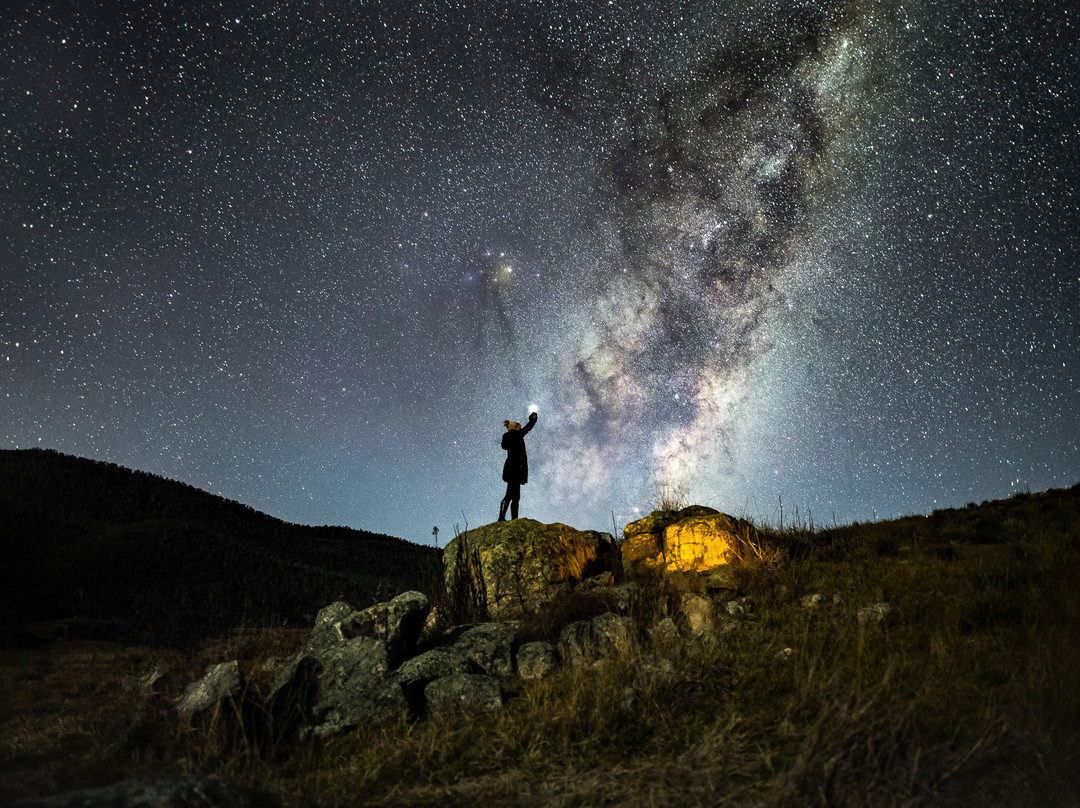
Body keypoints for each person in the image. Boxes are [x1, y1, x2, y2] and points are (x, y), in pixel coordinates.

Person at [498, 410, 537, 521]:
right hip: (515, 468)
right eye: (519, 426)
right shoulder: (516, 434)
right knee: (512, 495)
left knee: (513, 495)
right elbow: (528, 428)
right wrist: (533, 420)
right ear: (515, 428)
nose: (521, 428)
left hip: (512, 468)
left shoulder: (508, 436)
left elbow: (504, 446)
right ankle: (507, 518)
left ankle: (508, 518)